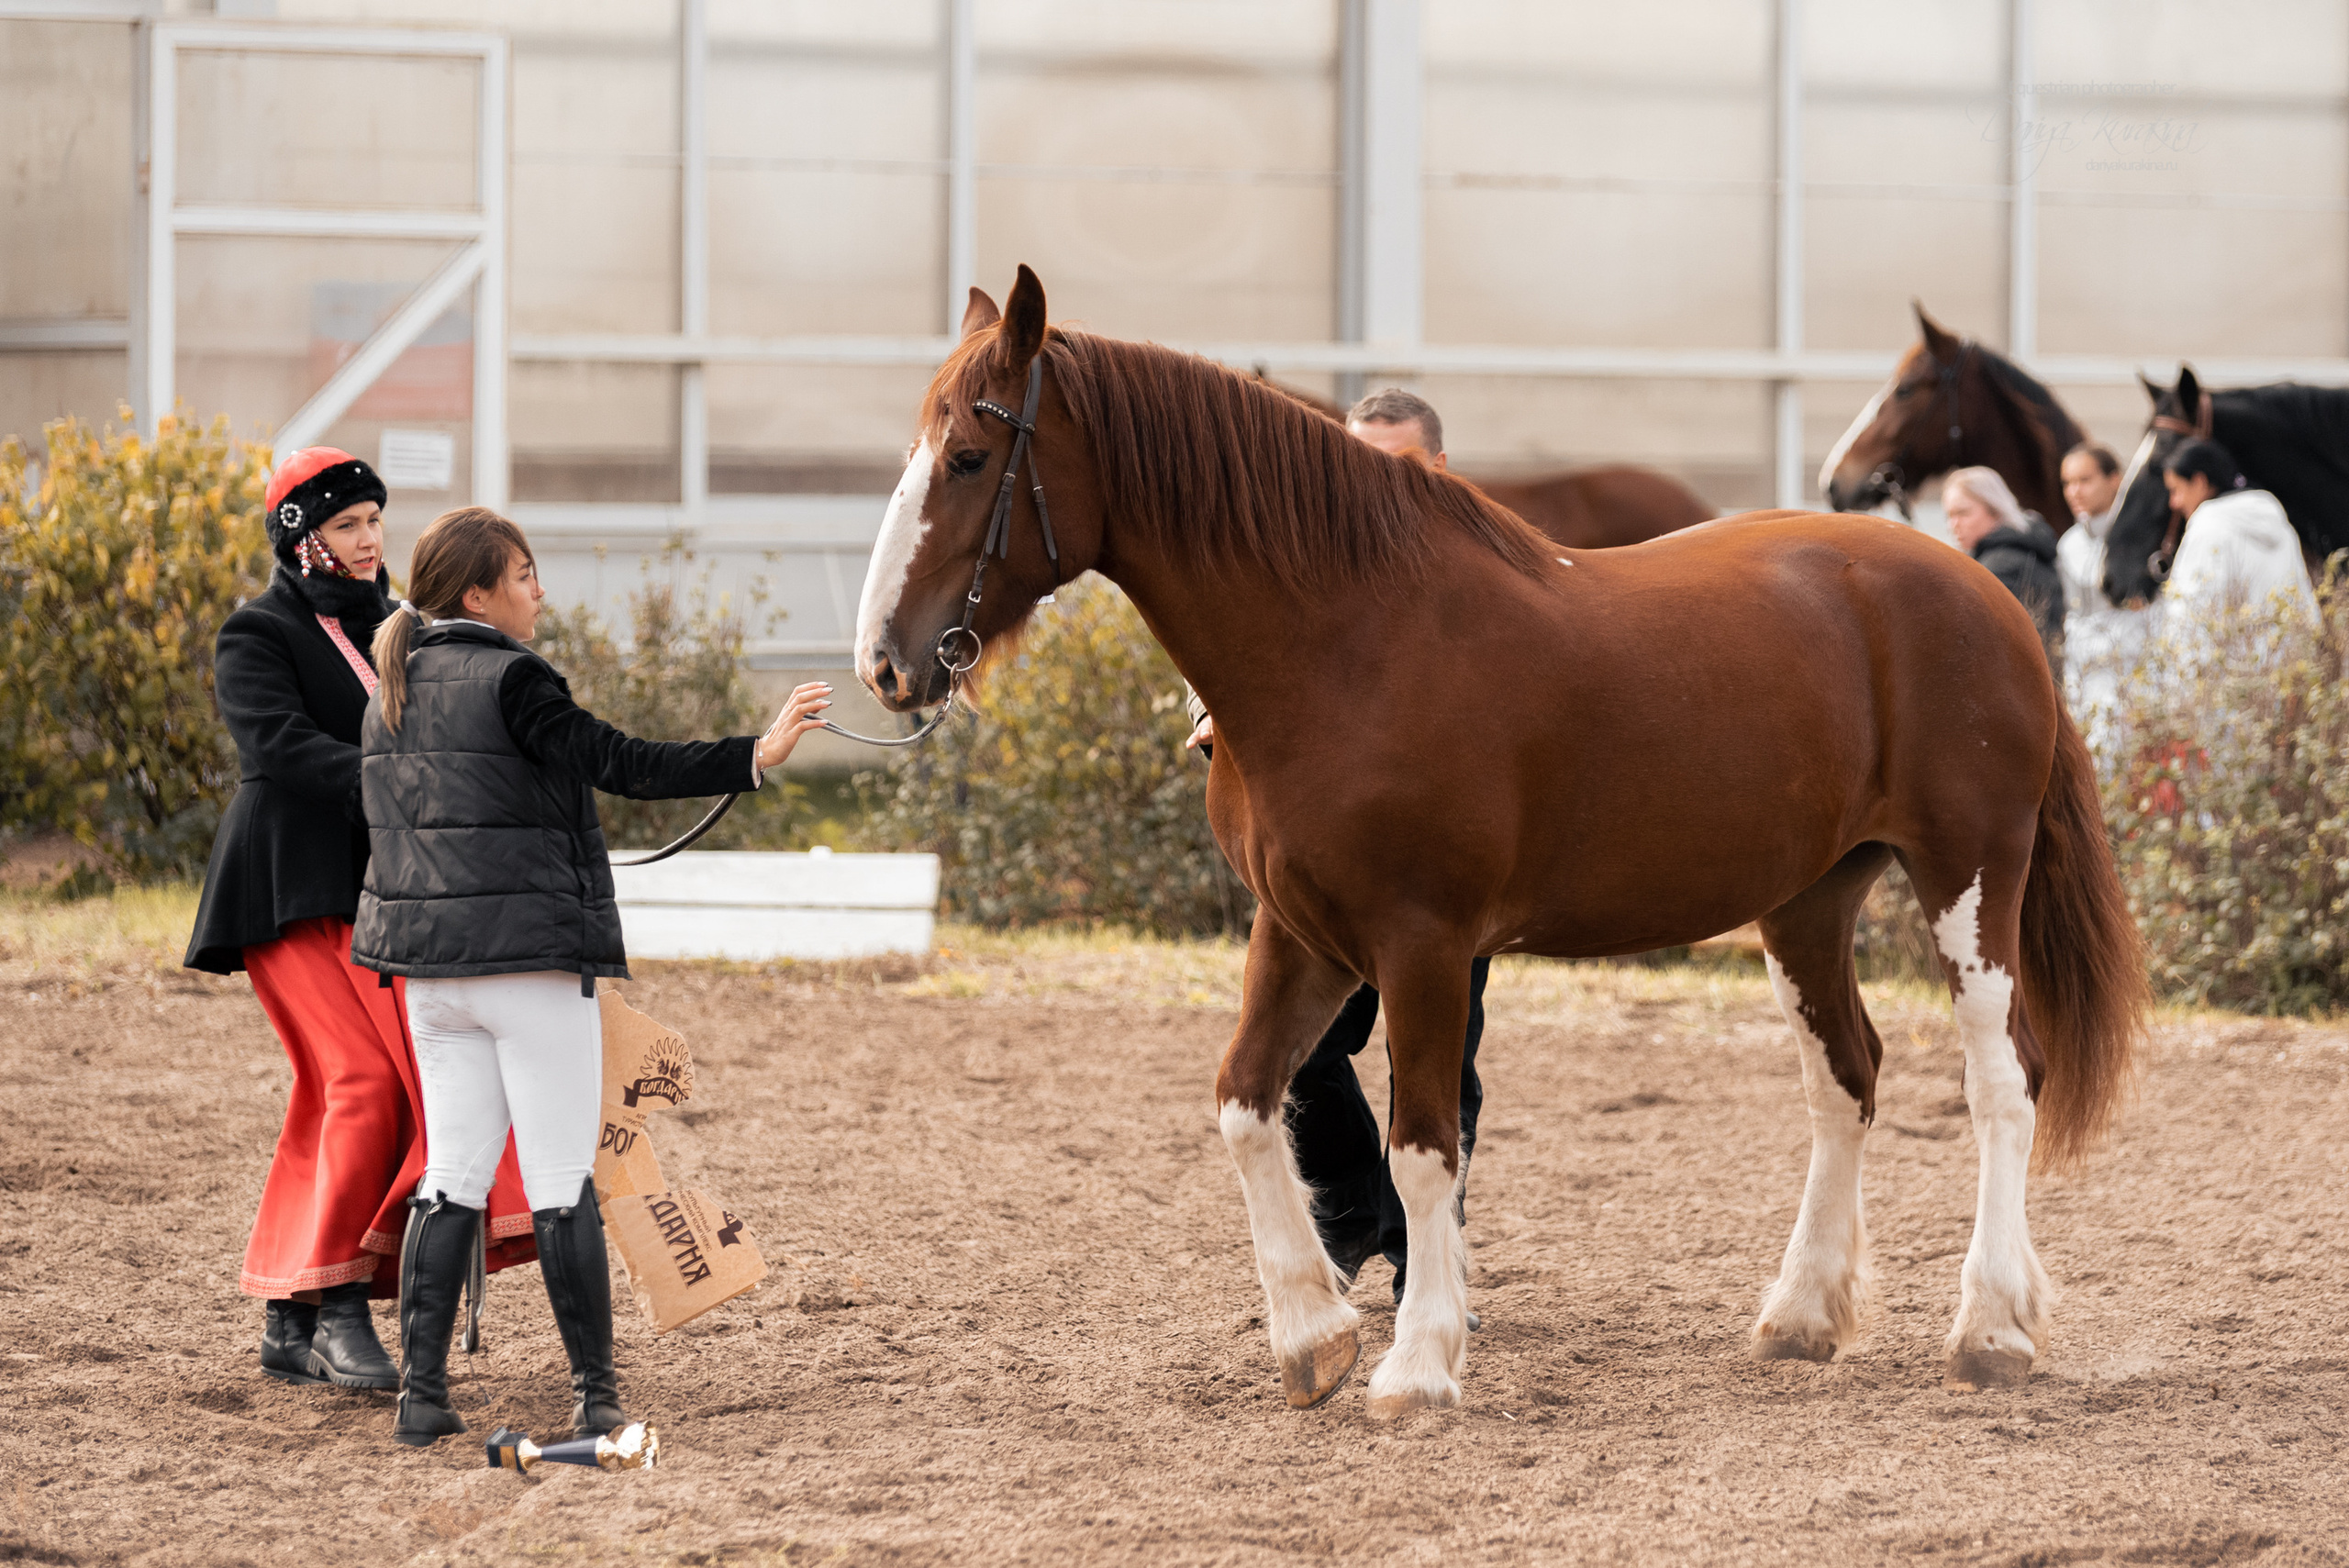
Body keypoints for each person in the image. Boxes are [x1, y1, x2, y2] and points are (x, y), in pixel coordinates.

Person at [349, 506, 832, 1449]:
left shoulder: (389, 688)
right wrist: (753, 755)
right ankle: (595, 1396)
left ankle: (423, 1395)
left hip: (430, 976)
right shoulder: (515, 677)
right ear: (477, 593)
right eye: (525, 574)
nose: (540, 590)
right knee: (563, 1176)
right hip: (525, 965)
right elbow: (619, 761)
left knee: (450, 1176)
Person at [184, 448, 534, 1394]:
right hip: (289, 885)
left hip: (388, 888)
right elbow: (279, 748)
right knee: (363, 1081)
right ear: (304, 538)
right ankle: (337, 1305)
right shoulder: (257, 631)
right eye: (348, 523)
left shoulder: (400, 626)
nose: (371, 535)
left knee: (388, 1081)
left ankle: (289, 1316)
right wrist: (402, 783)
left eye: (376, 517)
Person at [1187, 386, 1489, 1318]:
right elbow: (1243, 660)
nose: (1368, 482)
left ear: (1437, 469)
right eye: (1355, 459)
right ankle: (1362, 1213)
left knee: (1434, 1062)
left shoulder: (1476, 567)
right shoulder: (1304, 567)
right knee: (1303, 1055)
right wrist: (1212, 711)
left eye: (1392, 462)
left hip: (1443, 866)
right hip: (1332, 859)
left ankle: (1422, 1260)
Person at [2158, 439, 2317, 653]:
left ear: (2199, 482)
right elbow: (2307, 610)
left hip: (2236, 679)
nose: (2173, 503)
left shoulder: (2208, 528)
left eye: (2176, 490)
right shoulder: (2279, 524)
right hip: (2294, 674)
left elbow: (2191, 621)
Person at [1943, 465, 2065, 670]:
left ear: (1995, 509)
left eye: (1963, 513)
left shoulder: (1998, 568)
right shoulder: (2025, 549)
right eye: (1949, 516)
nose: (1953, 525)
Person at [2055, 441, 2123, 617]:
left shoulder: (2139, 535)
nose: (2073, 492)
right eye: (2067, 483)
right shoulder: (2068, 542)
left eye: (2084, 480)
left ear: (2114, 480)